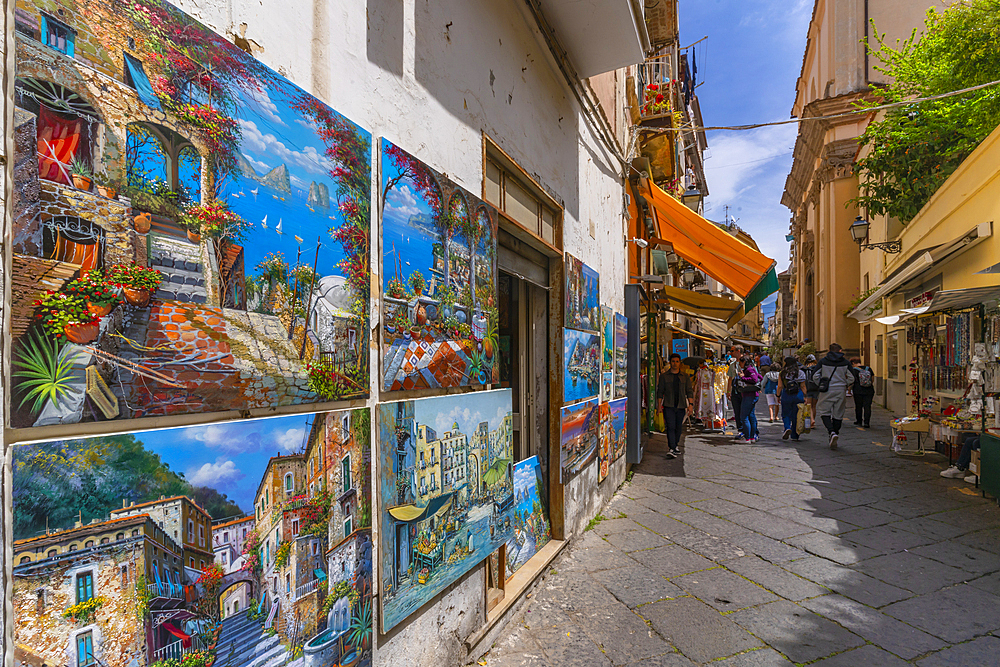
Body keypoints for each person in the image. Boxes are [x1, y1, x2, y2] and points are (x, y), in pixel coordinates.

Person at [815, 343, 854, 450]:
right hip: (840, 390)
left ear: (829, 350)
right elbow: (852, 377)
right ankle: (835, 433)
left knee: (824, 411)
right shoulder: (845, 362)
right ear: (840, 351)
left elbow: (815, 376)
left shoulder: (823, 361)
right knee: (838, 413)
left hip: (827, 390)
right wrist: (845, 383)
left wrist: (821, 383)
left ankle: (831, 432)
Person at [657, 353, 693, 458]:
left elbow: (689, 391)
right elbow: (660, 392)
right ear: (670, 362)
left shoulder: (685, 376)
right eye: (673, 361)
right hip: (669, 405)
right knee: (670, 426)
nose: (675, 364)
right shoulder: (664, 376)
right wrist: (659, 405)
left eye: (677, 361)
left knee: (678, 427)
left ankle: (675, 445)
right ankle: (671, 448)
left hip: (681, 405)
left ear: (679, 363)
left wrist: (690, 405)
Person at [776, 356, 807, 441]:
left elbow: (780, 386)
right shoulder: (800, 372)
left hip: (787, 394)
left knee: (785, 414)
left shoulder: (782, 373)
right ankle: (795, 435)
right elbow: (803, 386)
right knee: (796, 415)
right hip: (798, 394)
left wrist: (778, 396)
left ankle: (787, 428)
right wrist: (805, 396)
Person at [737, 356, 763, 442]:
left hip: (749, 395)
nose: (739, 364)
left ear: (744, 362)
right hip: (753, 395)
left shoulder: (749, 370)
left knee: (744, 416)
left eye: (740, 362)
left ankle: (747, 438)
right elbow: (760, 377)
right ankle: (752, 437)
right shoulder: (752, 369)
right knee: (751, 415)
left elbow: (754, 379)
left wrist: (743, 377)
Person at [849, 357, 875, 428]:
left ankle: (859, 421)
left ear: (853, 363)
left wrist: (849, 389)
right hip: (869, 390)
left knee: (858, 406)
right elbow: (872, 379)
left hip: (858, 390)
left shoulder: (854, 370)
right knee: (867, 406)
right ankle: (867, 422)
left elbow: (851, 381)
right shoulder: (868, 368)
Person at [727, 344, 745, 435]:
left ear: (738, 351)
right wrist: (728, 391)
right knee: (737, 412)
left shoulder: (748, 362)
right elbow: (730, 379)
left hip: (745, 391)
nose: (731, 353)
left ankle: (750, 431)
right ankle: (740, 430)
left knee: (746, 412)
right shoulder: (732, 365)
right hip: (735, 391)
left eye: (732, 351)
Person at [802, 353, 820, 424]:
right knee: (813, 406)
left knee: (808, 405)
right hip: (816, 388)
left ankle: (811, 420)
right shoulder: (817, 368)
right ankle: (812, 420)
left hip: (807, 388)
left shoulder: (804, 368)